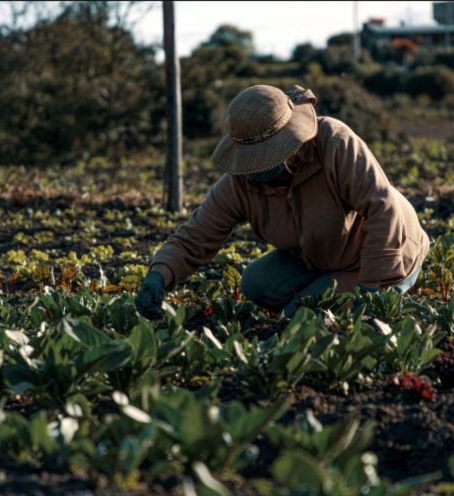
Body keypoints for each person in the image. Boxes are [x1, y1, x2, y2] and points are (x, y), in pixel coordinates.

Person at [135, 84, 430, 320]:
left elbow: (384, 209)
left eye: (267, 156)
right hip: (320, 256)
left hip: (387, 252)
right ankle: (328, 287)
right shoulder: (242, 181)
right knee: (256, 283)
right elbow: (197, 234)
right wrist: (159, 274)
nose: (259, 167)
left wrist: (372, 289)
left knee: (300, 318)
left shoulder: (334, 144)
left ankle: (379, 285)